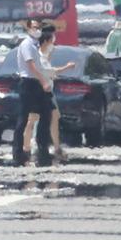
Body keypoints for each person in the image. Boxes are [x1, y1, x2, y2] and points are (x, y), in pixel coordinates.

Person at [22, 27, 75, 164]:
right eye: (52, 40)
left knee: (53, 117)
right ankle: (28, 148)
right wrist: (67, 67)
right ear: (46, 41)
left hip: (47, 92)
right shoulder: (38, 56)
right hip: (41, 92)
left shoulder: (43, 56)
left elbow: (49, 71)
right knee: (33, 119)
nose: (54, 44)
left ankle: (54, 147)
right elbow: (48, 71)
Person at [12, 20, 52, 166]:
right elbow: (32, 66)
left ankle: (42, 147)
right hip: (28, 83)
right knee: (23, 118)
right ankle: (17, 152)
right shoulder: (27, 45)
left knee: (46, 113)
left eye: (39, 28)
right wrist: (43, 82)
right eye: (35, 27)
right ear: (28, 28)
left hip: (35, 83)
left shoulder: (35, 45)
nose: (38, 30)